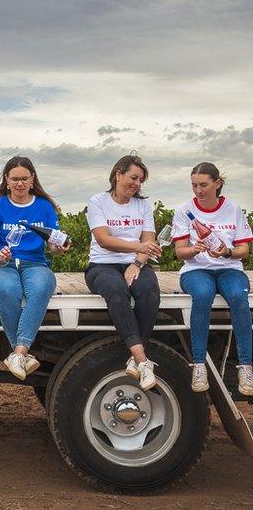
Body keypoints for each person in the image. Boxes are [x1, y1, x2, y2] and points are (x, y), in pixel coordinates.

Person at [0, 157, 70, 380]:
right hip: (1, 266)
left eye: (24, 179)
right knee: (8, 290)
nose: (19, 183)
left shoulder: (44, 207)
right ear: (7, 180)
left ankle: (18, 353)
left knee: (41, 288)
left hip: (35, 264)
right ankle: (21, 354)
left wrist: (60, 247)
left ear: (32, 180)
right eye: (15, 179)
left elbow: (53, 246)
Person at [171, 162, 253, 394]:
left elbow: (243, 251)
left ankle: (245, 366)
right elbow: (180, 252)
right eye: (194, 185)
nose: (198, 190)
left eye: (204, 185)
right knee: (203, 294)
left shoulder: (234, 209)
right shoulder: (184, 211)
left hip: (229, 268)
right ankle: (199, 364)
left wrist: (226, 252)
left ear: (217, 184)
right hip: (196, 270)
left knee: (238, 297)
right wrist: (195, 249)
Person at [84, 154, 162, 390]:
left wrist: (137, 263)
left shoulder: (142, 206)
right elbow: (104, 240)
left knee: (149, 290)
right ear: (118, 174)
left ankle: (134, 358)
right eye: (133, 177)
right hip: (101, 265)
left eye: (140, 180)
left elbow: (149, 240)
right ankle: (142, 360)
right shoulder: (98, 201)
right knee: (117, 290)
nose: (137, 183)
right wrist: (139, 247)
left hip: (134, 262)